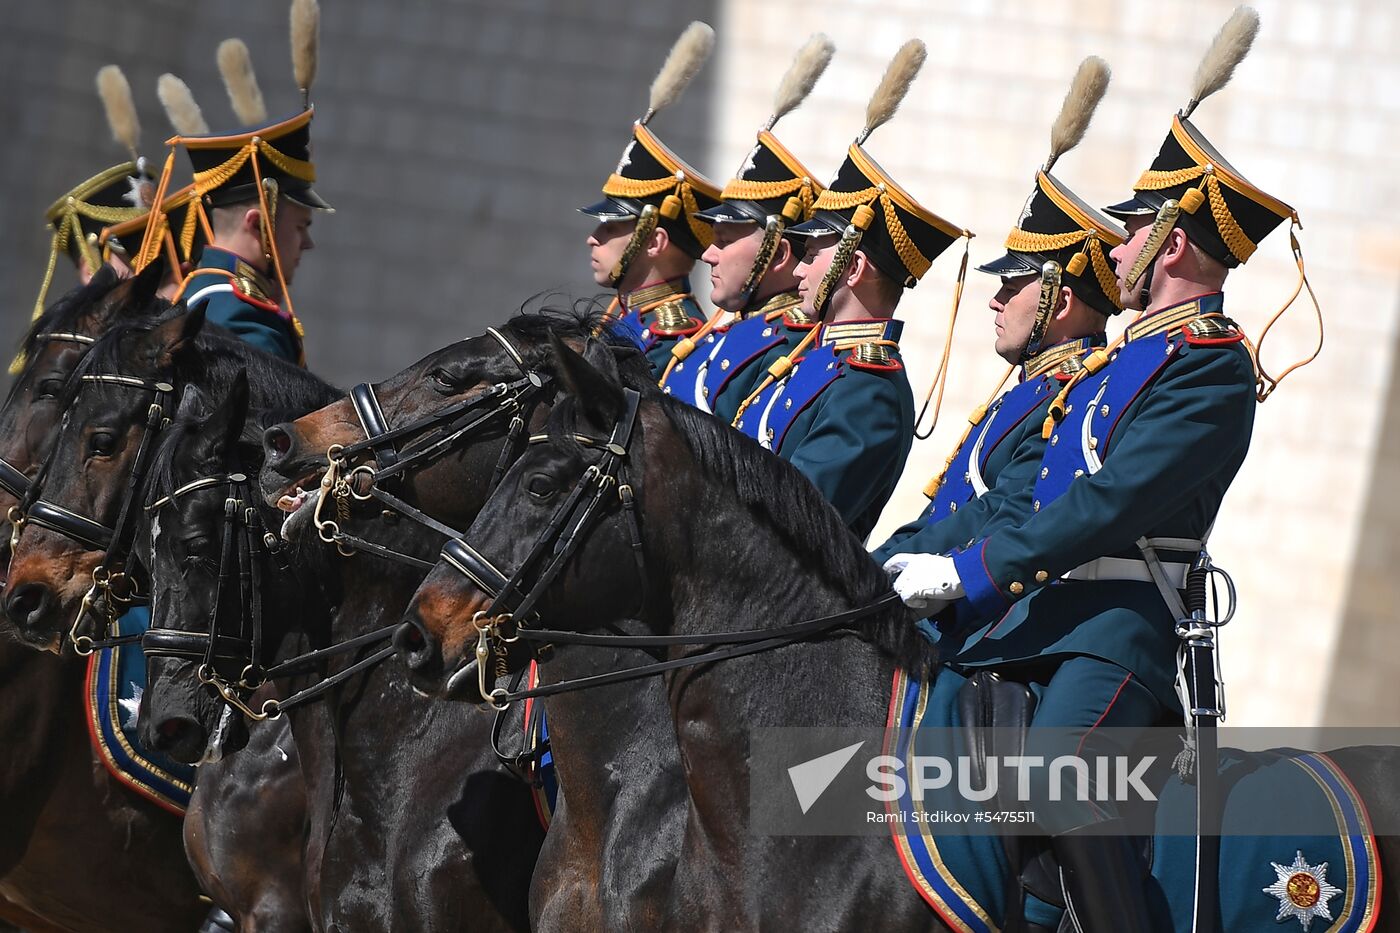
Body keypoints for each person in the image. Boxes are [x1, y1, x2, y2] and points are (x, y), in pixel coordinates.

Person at [884, 11, 1300, 930]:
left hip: (1118, 627)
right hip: (1038, 611)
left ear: (1175, 243)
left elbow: (1115, 501)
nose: (1115, 248)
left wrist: (970, 569)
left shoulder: (1211, 366)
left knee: (1062, 781)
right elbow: (1027, 497)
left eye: (1133, 232)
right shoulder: (1115, 367)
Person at [873, 58, 1124, 576]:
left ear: (1060, 300)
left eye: (1012, 286)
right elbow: (947, 510)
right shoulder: (1031, 387)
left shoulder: (1072, 396)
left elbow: (1002, 512)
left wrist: (885, 565)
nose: (995, 300)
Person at [729, 39, 971, 542]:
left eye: (813, 254)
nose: (797, 269)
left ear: (853, 265)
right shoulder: (814, 360)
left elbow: (784, 525)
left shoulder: (868, 391)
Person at [662, 34, 833, 419]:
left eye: (723, 241)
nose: (707, 253)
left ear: (778, 254)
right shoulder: (727, 333)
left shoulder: (792, 347)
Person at [579, 22, 723, 375]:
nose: (592, 238)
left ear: (655, 241)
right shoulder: (622, 317)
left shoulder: (674, 343)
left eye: (612, 227)